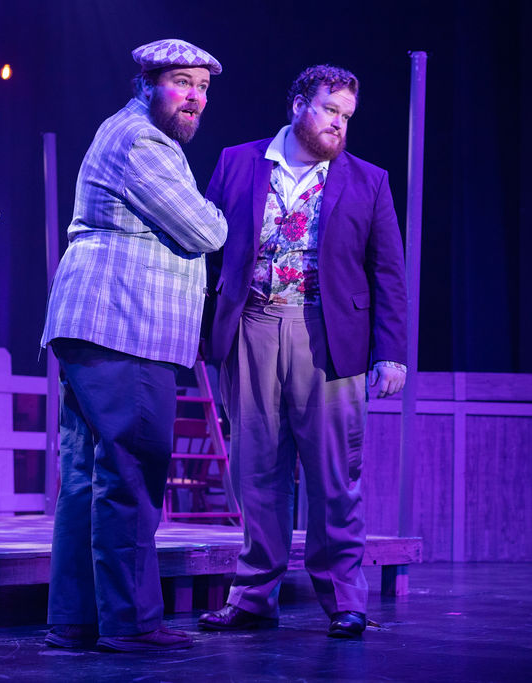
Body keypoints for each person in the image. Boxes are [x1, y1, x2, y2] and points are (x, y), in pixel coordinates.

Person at [197, 65, 408, 638]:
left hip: (329, 334)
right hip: (252, 326)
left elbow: (388, 272)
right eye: (330, 110)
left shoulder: (369, 181)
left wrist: (391, 351)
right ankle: (252, 595)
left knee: (335, 473)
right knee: (256, 470)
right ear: (297, 105)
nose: (339, 124)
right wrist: (203, 333)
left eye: (347, 116)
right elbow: (206, 253)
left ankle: (344, 597)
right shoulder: (238, 162)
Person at [40, 39, 227, 652]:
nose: (195, 97)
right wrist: (219, 214)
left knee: (85, 478)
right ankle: (131, 622)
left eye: (203, 87)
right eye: (182, 82)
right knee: (130, 473)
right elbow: (204, 229)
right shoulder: (141, 140)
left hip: (97, 325)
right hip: (126, 323)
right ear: (147, 84)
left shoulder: (126, 133)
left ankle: (76, 620)